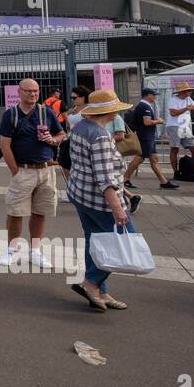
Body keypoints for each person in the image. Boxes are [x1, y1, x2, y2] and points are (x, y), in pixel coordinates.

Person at [66, 89, 137, 311]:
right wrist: (118, 209)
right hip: (99, 201)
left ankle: (100, 291)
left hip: (80, 194)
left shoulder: (79, 127)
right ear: (110, 111)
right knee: (125, 242)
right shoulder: (100, 136)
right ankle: (90, 283)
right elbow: (105, 178)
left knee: (95, 242)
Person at [0, 78, 65, 267]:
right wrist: (15, 171)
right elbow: (5, 144)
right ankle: (11, 248)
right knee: (16, 211)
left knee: (40, 211)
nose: (33, 94)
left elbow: (61, 134)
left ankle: (35, 250)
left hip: (46, 169)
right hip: (23, 170)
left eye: (35, 91)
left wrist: (52, 140)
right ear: (19, 92)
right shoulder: (11, 115)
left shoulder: (46, 112)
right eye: (28, 91)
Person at [122, 87, 178, 191]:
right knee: (140, 157)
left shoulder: (144, 106)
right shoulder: (145, 106)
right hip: (145, 137)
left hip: (147, 136)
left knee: (154, 158)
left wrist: (154, 120)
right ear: (148, 95)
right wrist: (158, 121)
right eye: (153, 95)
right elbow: (146, 122)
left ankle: (163, 182)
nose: (155, 97)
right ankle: (124, 179)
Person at [167, 83, 194, 173]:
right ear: (181, 92)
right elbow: (173, 113)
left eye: (189, 91)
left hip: (185, 127)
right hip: (174, 126)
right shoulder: (173, 100)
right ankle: (176, 172)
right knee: (175, 149)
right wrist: (186, 109)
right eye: (188, 91)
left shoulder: (188, 99)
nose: (189, 92)